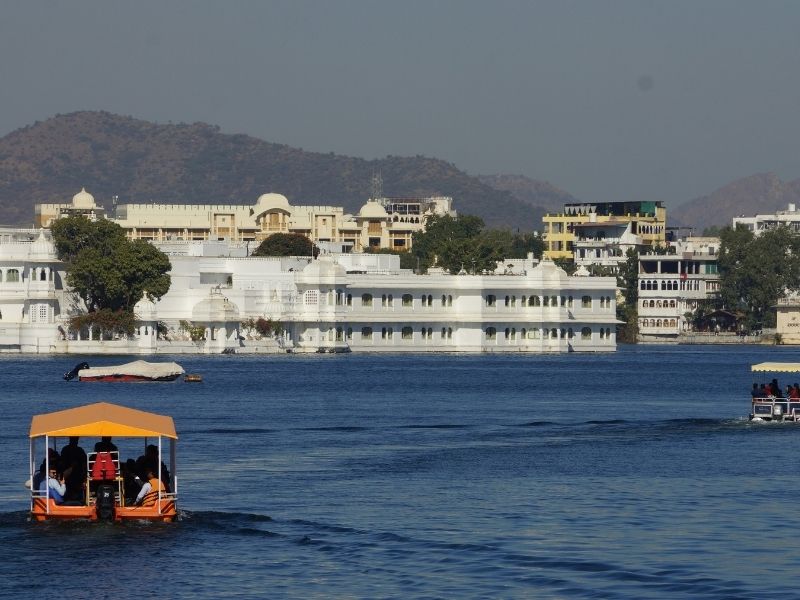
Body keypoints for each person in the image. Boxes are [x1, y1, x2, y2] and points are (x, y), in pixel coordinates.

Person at [60, 437, 87, 501]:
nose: (75, 441)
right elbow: (63, 462)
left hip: (77, 475)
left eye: (76, 440)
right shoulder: (66, 450)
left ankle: (76, 499)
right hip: (69, 474)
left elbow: (84, 462)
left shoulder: (79, 450)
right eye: (74, 440)